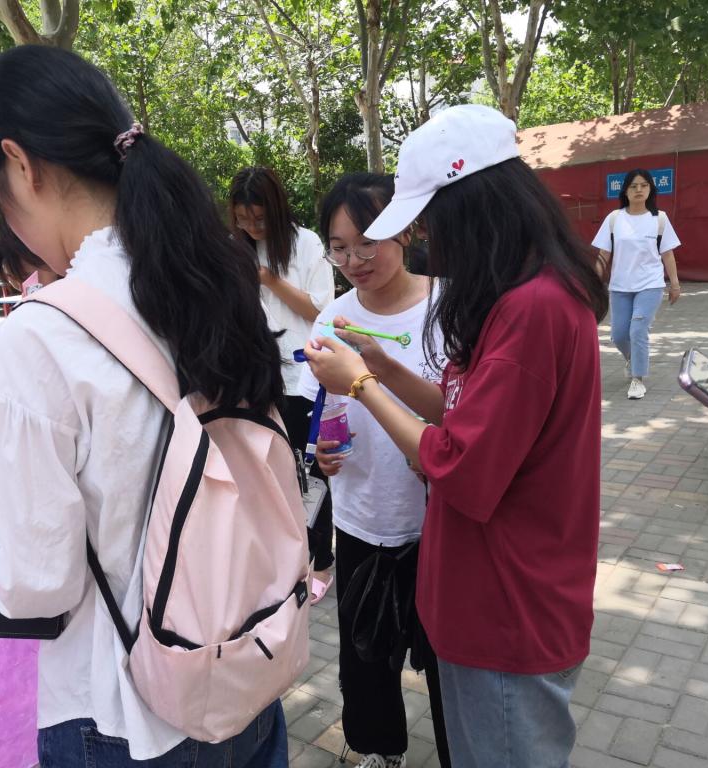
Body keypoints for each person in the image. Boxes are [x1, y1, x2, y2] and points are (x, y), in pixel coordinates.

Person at [0, 45, 288, 767]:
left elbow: (34, 585)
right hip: (247, 667)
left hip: (123, 717)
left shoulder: (41, 335)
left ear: (20, 164)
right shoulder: (213, 281)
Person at [304, 105, 606, 768]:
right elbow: (461, 412)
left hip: (506, 604)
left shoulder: (531, 310)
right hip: (488, 594)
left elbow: (459, 464)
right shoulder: (520, 296)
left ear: (470, 210)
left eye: (428, 222)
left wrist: (362, 384)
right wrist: (384, 370)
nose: (427, 240)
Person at [299, 172, 449, 768]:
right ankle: (379, 750)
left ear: (405, 230)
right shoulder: (331, 319)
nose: (354, 261)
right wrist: (320, 450)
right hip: (363, 514)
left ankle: (462, 749)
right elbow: (323, 411)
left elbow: (466, 408)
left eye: (367, 243)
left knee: (446, 659)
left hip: (440, 521)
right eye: (339, 249)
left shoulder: (449, 306)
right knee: (365, 656)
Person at [230, 166, 337, 602]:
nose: (252, 227)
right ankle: (283, 558)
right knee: (268, 471)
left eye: (259, 218)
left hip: (303, 378)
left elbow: (321, 311)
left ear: (275, 210)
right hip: (259, 376)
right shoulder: (236, 248)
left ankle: (322, 560)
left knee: (307, 473)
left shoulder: (306, 244)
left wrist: (267, 278)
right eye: (243, 219)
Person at [593, 169, 682, 400]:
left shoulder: (659, 219)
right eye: (633, 186)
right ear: (625, 191)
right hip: (620, 286)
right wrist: (592, 282)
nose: (639, 190)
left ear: (651, 189)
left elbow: (667, 254)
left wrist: (674, 284)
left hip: (650, 284)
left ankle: (637, 379)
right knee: (619, 335)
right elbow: (603, 255)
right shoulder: (614, 219)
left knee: (638, 330)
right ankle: (633, 360)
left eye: (643, 185)